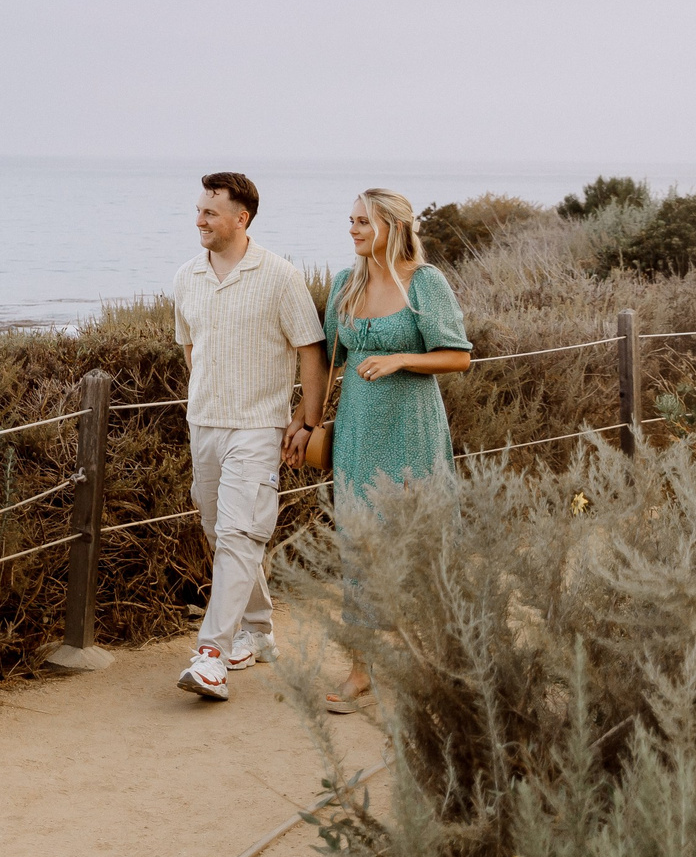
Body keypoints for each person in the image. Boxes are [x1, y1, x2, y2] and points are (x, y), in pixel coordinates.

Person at [171, 172, 328, 702]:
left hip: (260, 426)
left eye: (210, 213)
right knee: (221, 531)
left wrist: (306, 421)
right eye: (198, 211)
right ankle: (257, 630)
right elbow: (190, 347)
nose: (199, 221)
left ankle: (209, 654)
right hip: (204, 424)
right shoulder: (186, 276)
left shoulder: (280, 276)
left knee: (240, 535)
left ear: (242, 218)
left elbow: (311, 350)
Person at [320, 187, 471, 712]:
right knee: (359, 540)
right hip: (357, 428)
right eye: (352, 219)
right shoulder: (345, 282)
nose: (354, 229)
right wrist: (302, 422)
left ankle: (431, 662)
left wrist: (401, 359)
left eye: (364, 221)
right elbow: (326, 359)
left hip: (412, 427)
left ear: (394, 227)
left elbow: (458, 358)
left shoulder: (424, 283)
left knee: (417, 539)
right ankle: (363, 671)